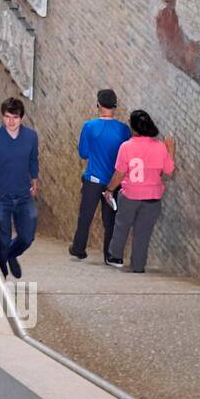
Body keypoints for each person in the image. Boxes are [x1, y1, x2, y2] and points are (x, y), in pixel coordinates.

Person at [103, 110, 175, 273]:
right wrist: (170, 149)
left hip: (130, 195)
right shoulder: (160, 147)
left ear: (134, 128)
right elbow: (169, 171)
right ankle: (138, 265)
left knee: (121, 226)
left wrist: (109, 189)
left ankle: (116, 256)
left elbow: (119, 174)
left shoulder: (126, 147)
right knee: (143, 233)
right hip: (153, 198)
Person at [0, 97, 40, 279]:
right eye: (7, 117)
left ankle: (10, 255)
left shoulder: (31, 137)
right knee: (2, 240)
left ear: (22, 118)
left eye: (15, 117)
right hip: (0, 197)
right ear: (2, 117)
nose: (11, 122)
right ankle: (0, 272)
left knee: (27, 237)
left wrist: (34, 181)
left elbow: (33, 160)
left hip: (23, 196)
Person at [69, 88, 131, 261]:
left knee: (85, 216)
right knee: (110, 220)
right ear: (115, 106)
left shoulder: (89, 126)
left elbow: (83, 153)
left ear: (98, 104)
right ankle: (109, 254)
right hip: (114, 182)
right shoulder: (124, 130)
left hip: (93, 180)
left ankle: (79, 248)